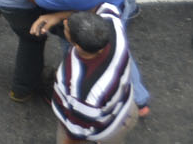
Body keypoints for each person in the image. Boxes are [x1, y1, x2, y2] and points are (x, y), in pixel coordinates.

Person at [51, 8, 139, 143]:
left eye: (68, 28)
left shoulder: (83, 91)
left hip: (105, 129)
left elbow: (77, 131)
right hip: (124, 108)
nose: (65, 22)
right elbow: (105, 6)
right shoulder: (112, 24)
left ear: (78, 47)